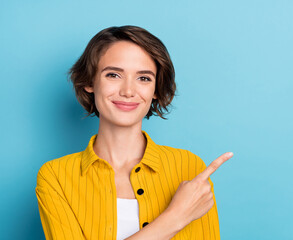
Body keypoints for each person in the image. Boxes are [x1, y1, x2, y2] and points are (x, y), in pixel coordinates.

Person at [35, 25, 233, 240]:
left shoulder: (189, 168)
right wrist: (175, 217)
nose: (128, 91)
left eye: (144, 78)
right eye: (113, 75)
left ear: (156, 90)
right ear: (90, 82)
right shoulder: (56, 177)